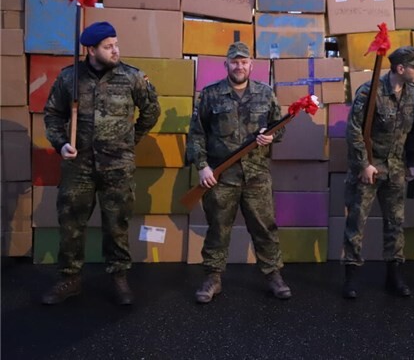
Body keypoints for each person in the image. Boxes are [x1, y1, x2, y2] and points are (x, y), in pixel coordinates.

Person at [42, 21, 161, 305]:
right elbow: (53, 115)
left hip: (117, 166)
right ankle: (69, 278)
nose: (115, 50)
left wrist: (131, 140)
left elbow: (151, 111)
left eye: (116, 44)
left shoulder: (132, 77)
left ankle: (119, 277)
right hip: (78, 166)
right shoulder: (69, 78)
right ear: (91, 50)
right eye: (108, 47)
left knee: (116, 224)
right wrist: (61, 143)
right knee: (71, 223)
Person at [186, 41, 291, 302]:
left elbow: (280, 128)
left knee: (265, 227)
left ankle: (273, 275)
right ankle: (212, 277)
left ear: (251, 65)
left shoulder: (265, 93)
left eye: (244, 62)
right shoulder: (210, 94)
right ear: (226, 65)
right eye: (234, 62)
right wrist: (202, 166)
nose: (239, 66)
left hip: (257, 175)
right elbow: (196, 134)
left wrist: (271, 137)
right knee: (218, 228)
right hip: (222, 176)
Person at [341, 46, 414, 299]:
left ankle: (394, 274)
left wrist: (412, 162)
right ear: (400, 68)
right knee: (357, 221)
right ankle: (351, 275)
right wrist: (363, 164)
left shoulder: (412, 92)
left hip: (396, 167)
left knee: (395, 222)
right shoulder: (369, 92)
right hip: (370, 167)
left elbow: (413, 130)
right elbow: (354, 130)